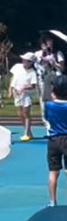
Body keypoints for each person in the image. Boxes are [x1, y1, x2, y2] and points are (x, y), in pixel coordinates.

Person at [45, 76, 67, 207]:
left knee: (53, 171)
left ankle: (52, 201)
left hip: (53, 139)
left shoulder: (49, 105)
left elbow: (47, 118)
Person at [10, 53, 38, 141]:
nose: (23, 61)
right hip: (16, 92)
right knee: (20, 113)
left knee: (26, 113)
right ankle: (28, 131)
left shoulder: (32, 72)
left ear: (30, 62)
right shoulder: (17, 67)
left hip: (26, 94)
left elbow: (33, 85)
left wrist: (24, 87)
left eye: (26, 60)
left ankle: (26, 133)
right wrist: (10, 88)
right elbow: (13, 78)